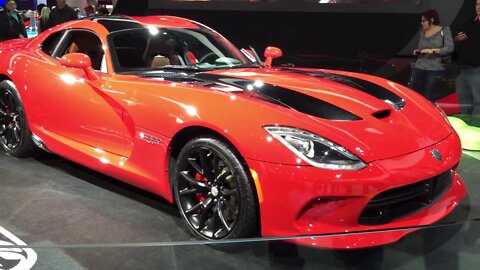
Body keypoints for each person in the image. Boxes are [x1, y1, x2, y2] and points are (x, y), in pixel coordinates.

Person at [410, 9, 454, 101]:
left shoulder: (444, 30)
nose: (422, 23)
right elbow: (421, 47)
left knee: (428, 95)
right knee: (413, 93)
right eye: (421, 21)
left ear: (432, 20)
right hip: (420, 66)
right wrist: (419, 51)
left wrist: (433, 51)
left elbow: (450, 48)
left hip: (435, 68)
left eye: (424, 21)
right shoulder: (423, 32)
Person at [454, 0, 480, 124]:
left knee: (478, 102)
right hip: (463, 69)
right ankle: (466, 127)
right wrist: (457, 39)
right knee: (464, 102)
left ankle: (476, 128)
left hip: (477, 70)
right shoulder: (469, 22)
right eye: (477, 4)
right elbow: (459, 40)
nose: (479, 7)